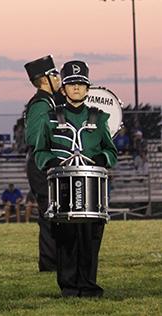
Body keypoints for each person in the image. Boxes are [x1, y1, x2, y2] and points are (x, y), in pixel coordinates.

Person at [34, 60, 117, 297]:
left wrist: (102, 158)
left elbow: (111, 151)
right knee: (66, 237)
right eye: (71, 84)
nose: (77, 88)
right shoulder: (51, 118)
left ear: (88, 88)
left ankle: (89, 285)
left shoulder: (99, 118)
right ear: (63, 89)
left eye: (81, 84)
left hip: (92, 187)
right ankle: (69, 286)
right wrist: (49, 162)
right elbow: (40, 151)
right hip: (64, 186)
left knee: (90, 237)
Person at [23, 55, 62, 271]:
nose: (59, 78)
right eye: (55, 74)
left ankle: (53, 259)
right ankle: (49, 262)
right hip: (41, 163)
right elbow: (34, 137)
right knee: (48, 212)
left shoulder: (49, 101)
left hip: (44, 162)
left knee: (52, 211)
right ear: (45, 79)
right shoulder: (41, 103)